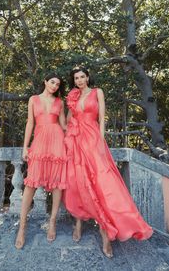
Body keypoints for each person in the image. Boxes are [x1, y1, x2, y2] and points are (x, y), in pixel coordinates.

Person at [62, 67, 153, 258]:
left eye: (82, 77)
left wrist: (100, 142)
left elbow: (101, 118)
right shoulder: (73, 96)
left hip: (93, 139)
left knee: (103, 183)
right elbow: (69, 120)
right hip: (77, 141)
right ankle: (78, 222)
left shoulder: (97, 92)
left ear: (88, 77)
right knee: (77, 182)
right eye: (76, 78)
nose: (79, 80)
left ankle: (106, 231)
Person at [15, 73, 67, 249]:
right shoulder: (33, 99)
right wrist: (25, 147)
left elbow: (63, 125)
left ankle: (52, 221)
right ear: (45, 81)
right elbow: (30, 123)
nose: (54, 86)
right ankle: (22, 227)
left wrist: (81, 119)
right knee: (31, 184)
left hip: (57, 142)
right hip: (39, 142)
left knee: (57, 184)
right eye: (52, 82)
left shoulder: (60, 102)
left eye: (58, 84)